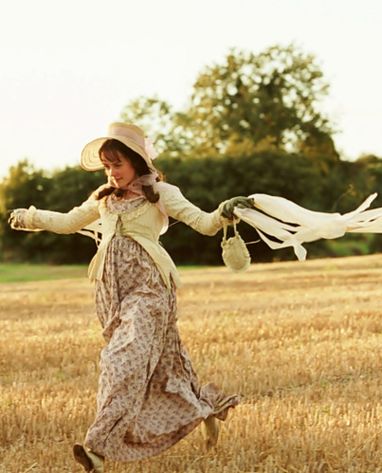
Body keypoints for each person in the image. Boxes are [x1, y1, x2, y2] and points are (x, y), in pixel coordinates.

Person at [8, 122, 253, 472]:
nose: (111, 173)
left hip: (150, 288)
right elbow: (67, 222)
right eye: (107, 166)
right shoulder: (103, 197)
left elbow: (204, 222)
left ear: (137, 161)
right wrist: (31, 217)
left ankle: (97, 448)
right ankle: (203, 409)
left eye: (117, 164)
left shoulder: (163, 193)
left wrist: (225, 212)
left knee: (122, 362)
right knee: (163, 368)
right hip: (111, 293)